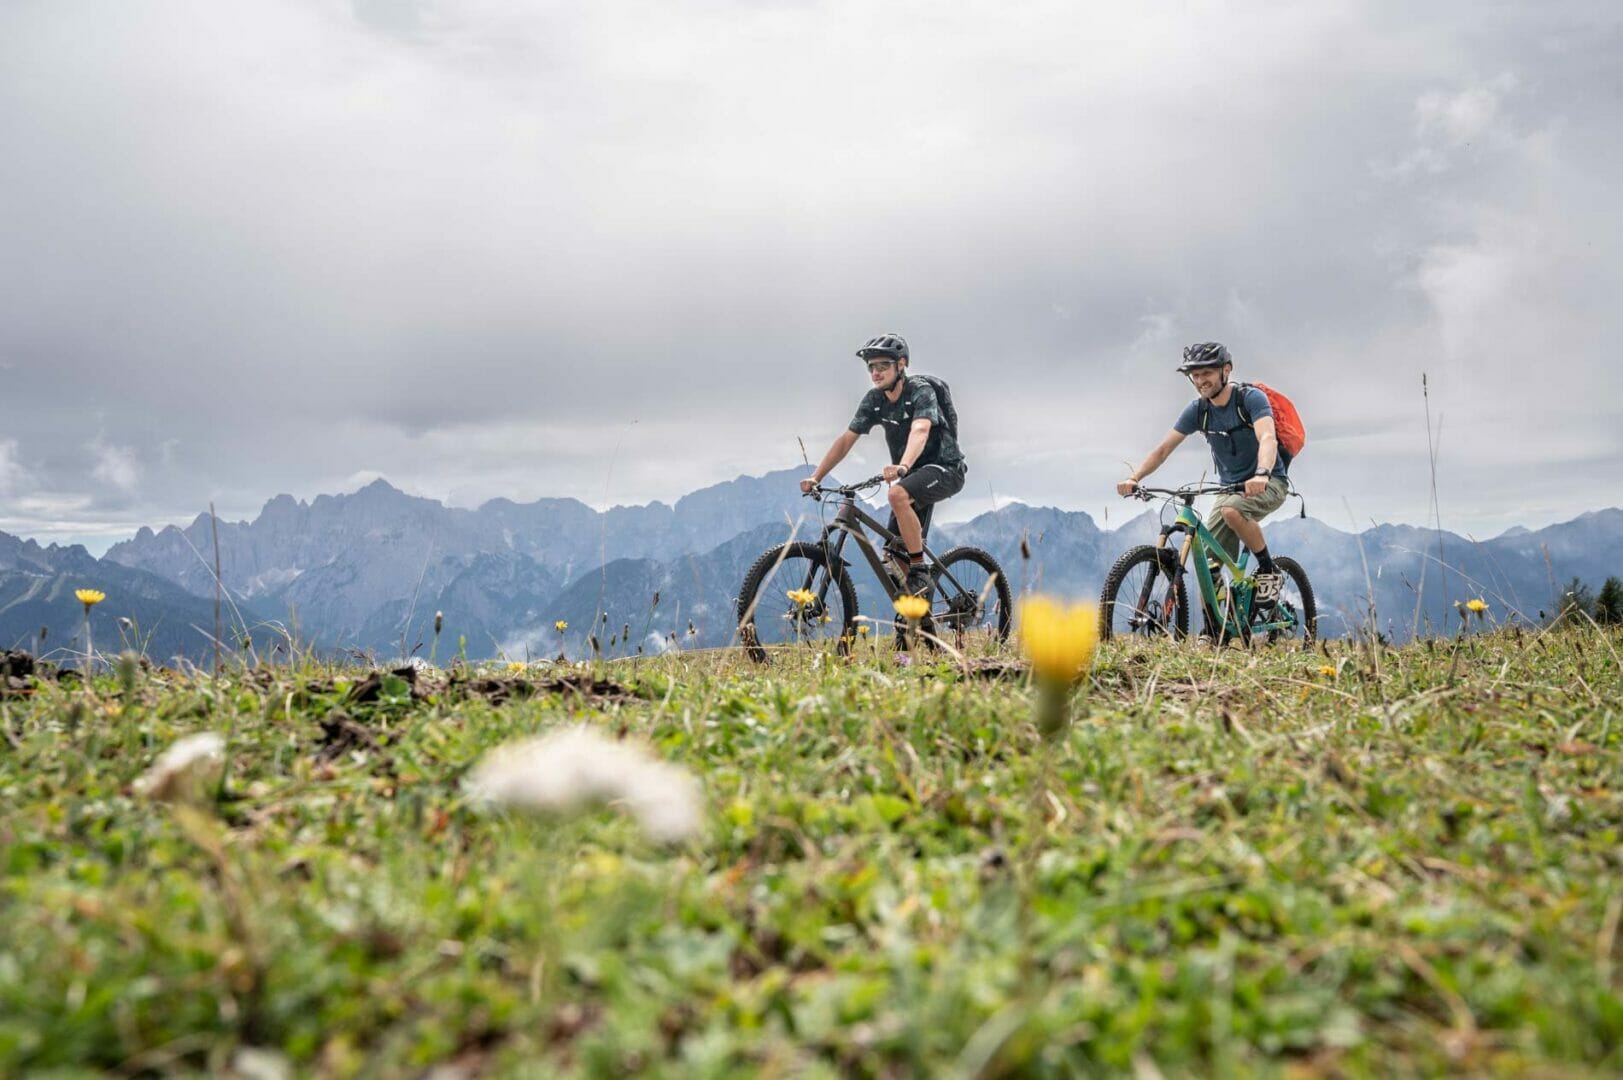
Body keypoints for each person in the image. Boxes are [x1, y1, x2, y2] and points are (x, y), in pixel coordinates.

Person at [1116, 342, 1289, 613]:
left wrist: (1263, 473)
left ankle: (1269, 569)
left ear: (1226, 370)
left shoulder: (1250, 399)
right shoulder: (1198, 410)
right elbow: (1163, 449)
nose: (1200, 381)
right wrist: (1135, 477)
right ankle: (1217, 626)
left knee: (1232, 510)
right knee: (1209, 567)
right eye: (1194, 376)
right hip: (1228, 488)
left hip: (1269, 482)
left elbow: (1267, 436)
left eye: (1206, 373)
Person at [800, 333, 967, 597]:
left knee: (897, 493)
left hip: (945, 469)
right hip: (913, 475)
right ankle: (913, 624)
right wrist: (817, 476)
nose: (876, 372)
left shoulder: (920, 391)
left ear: (901, 365)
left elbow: (921, 430)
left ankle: (920, 568)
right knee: (892, 555)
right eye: (871, 367)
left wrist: (902, 465)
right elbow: (846, 440)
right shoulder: (874, 400)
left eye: (882, 366)